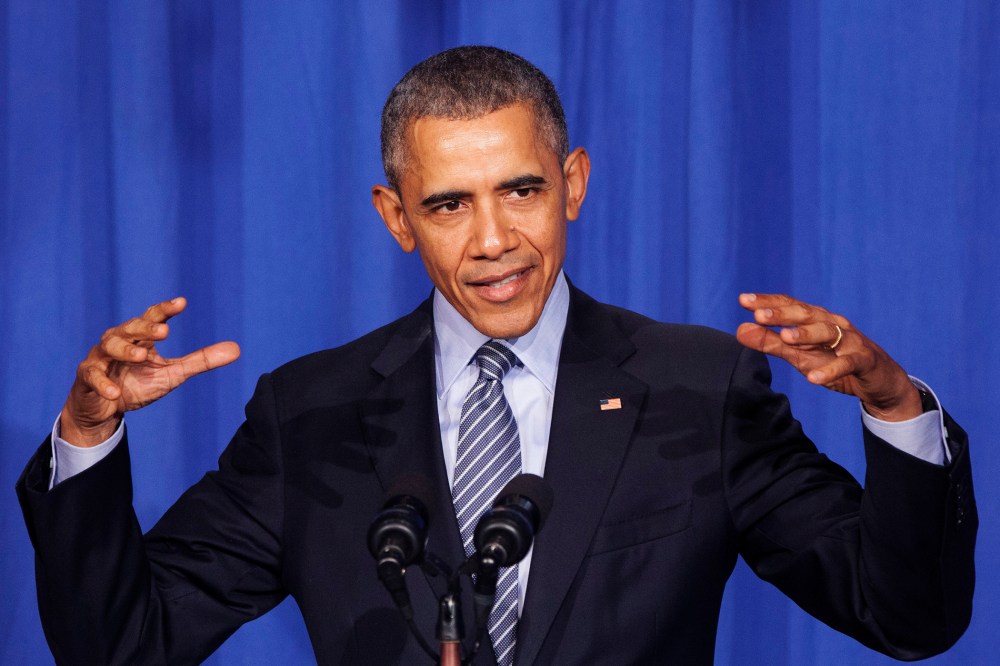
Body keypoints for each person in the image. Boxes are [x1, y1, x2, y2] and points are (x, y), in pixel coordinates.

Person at [17, 46, 975, 665]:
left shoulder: (699, 390)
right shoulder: (308, 412)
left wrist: (893, 410)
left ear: (574, 184)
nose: (493, 240)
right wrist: (88, 435)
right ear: (397, 218)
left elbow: (906, 618)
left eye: (520, 191)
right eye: (447, 204)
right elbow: (119, 646)